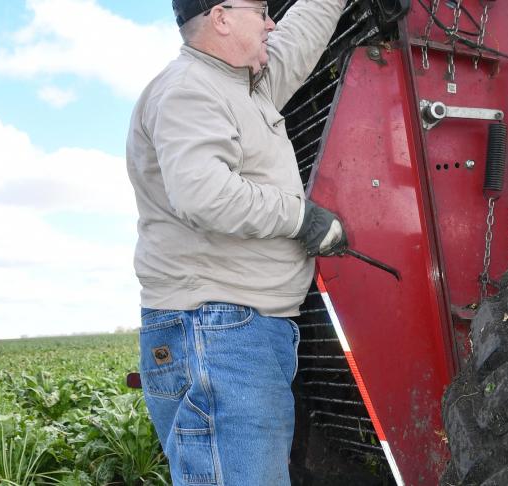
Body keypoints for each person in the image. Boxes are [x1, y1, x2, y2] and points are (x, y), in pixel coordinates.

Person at [126, 0, 348, 483]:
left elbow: (294, 43)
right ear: (222, 18)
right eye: (261, 10)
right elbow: (204, 194)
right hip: (218, 334)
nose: (271, 22)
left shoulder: (241, 87)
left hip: (232, 333)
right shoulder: (189, 91)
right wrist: (301, 217)